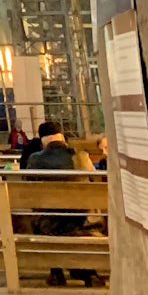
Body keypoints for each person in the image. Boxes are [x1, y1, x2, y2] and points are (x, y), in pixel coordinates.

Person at [22, 120, 94, 284]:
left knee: (40, 218)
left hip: (49, 224)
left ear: (42, 142)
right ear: (62, 137)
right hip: (83, 220)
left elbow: (28, 190)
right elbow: (94, 181)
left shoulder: (34, 160)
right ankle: (85, 271)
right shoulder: (81, 157)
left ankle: (56, 271)